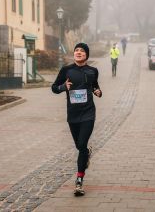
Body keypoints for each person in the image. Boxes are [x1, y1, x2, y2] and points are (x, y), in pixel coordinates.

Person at [51, 42, 102, 196]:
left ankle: (79, 181)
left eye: (82, 51)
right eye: (76, 50)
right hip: (73, 115)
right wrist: (62, 87)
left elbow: (94, 86)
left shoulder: (93, 71)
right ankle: (86, 153)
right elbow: (54, 87)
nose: (78, 52)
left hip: (88, 113)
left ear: (86, 55)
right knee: (80, 148)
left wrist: (98, 91)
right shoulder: (66, 70)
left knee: (81, 144)